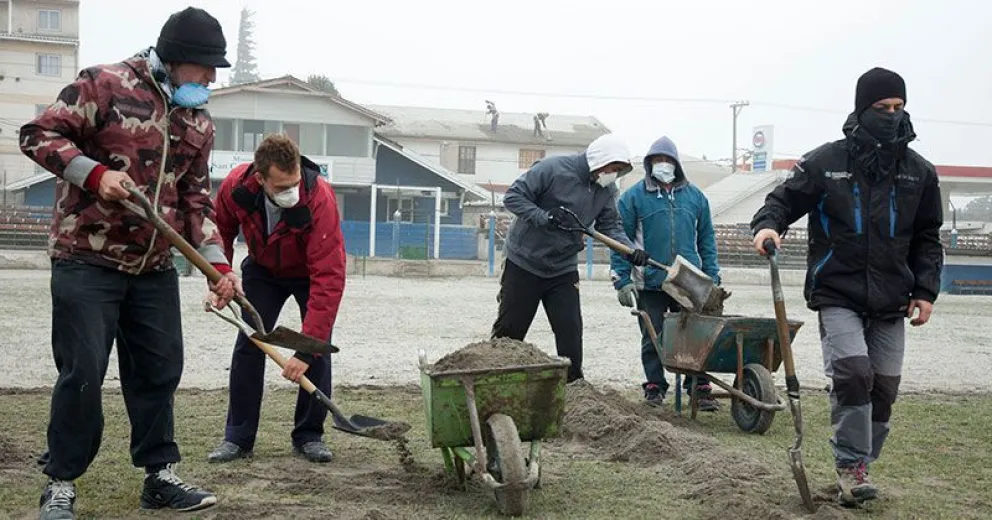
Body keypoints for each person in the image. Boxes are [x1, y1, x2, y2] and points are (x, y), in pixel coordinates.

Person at [18, 7, 237, 519]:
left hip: (154, 269)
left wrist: (217, 265)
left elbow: (196, 201)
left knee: (160, 371)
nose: (209, 79)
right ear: (177, 59)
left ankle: (160, 478)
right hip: (86, 259)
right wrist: (93, 175)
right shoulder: (103, 84)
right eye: (205, 68)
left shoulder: (197, 119)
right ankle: (61, 482)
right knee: (82, 373)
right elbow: (38, 135)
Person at [750, 67, 943, 507]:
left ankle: (861, 461)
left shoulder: (919, 173)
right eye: (882, 108)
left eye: (898, 108)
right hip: (838, 292)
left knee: (883, 389)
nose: (892, 116)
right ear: (862, 109)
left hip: (894, 297)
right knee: (854, 374)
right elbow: (782, 202)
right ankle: (851, 466)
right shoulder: (826, 163)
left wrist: (926, 291)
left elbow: (928, 236)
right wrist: (767, 229)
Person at [206, 134, 346, 464]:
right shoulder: (235, 188)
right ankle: (238, 438)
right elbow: (218, 231)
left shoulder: (318, 198)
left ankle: (309, 435)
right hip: (263, 269)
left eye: (295, 182)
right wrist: (220, 274)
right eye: (282, 186)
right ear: (260, 178)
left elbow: (329, 278)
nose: (291, 192)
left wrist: (304, 351)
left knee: (318, 349)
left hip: (311, 273)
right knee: (249, 345)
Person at [492, 133, 650, 382]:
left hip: (562, 268)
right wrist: (545, 217)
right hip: (524, 261)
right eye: (613, 167)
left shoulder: (606, 190)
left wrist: (631, 251)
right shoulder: (552, 169)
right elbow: (512, 197)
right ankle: (493, 379)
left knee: (570, 332)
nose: (615, 174)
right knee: (510, 331)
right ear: (598, 160)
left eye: (620, 170)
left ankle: (575, 388)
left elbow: (611, 226)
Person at [610, 136, 722, 411]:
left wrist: (712, 274)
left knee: (696, 334)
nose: (663, 165)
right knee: (653, 335)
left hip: (691, 280)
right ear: (649, 165)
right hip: (651, 279)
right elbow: (620, 240)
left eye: (667, 160)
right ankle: (655, 387)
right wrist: (622, 279)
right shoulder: (633, 197)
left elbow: (706, 238)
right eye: (657, 161)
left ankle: (698, 387)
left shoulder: (695, 197)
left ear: (676, 164)